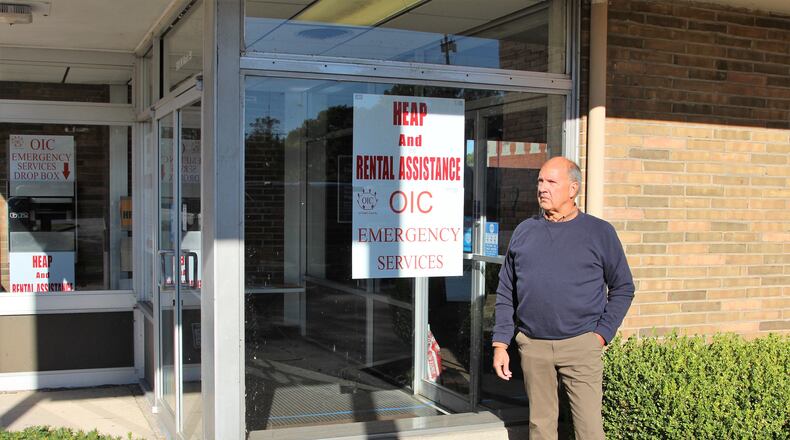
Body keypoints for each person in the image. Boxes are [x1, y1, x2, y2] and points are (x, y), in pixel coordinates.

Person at [492, 157, 635, 440]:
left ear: (573, 189)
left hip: (581, 345)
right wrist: (500, 343)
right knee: (540, 427)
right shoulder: (525, 231)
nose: (542, 188)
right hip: (534, 347)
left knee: (589, 430)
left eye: (551, 182)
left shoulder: (599, 232)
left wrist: (601, 335)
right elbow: (506, 290)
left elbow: (623, 287)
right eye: (540, 181)